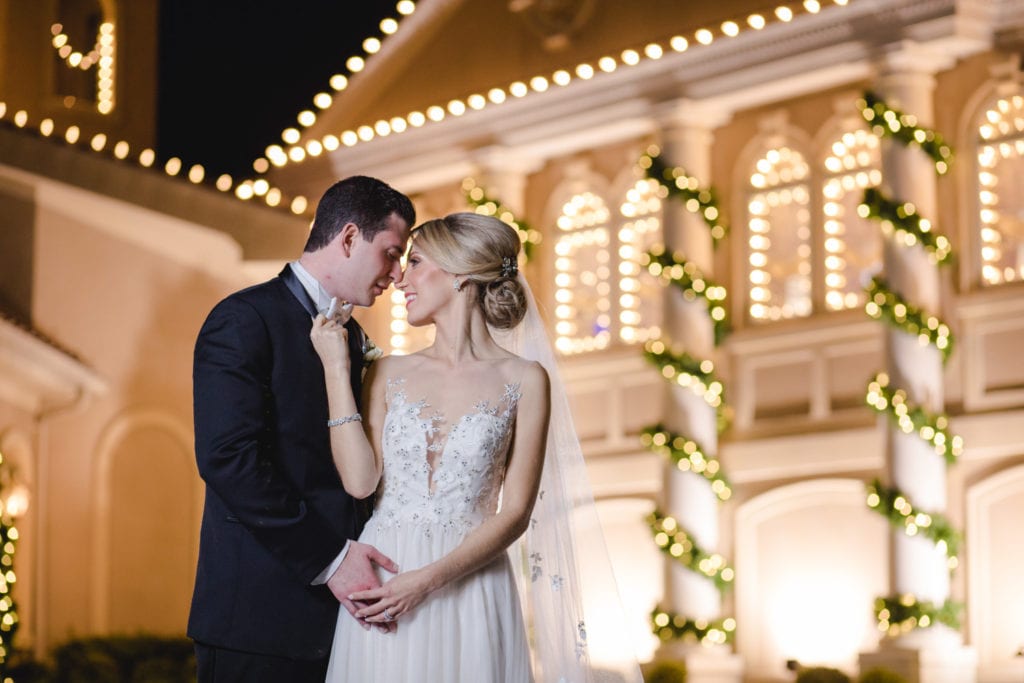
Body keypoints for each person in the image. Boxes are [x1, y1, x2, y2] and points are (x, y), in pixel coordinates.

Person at [310, 212, 644, 682]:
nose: (400, 278)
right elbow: (361, 482)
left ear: (460, 274)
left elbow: (515, 514)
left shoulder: (526, 379)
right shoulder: (388, 372)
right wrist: (333, 369)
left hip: (469, 582)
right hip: (385, 577)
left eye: (417, 261)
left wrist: (426, 581)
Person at [188, 175, 416, 683]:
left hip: (349, 625)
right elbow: (229, 459)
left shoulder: (355, 339)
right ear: (351, 237)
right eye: (391, 253)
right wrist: (334, 560)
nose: (397, 274)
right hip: (257, 622)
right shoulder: (243, 319)